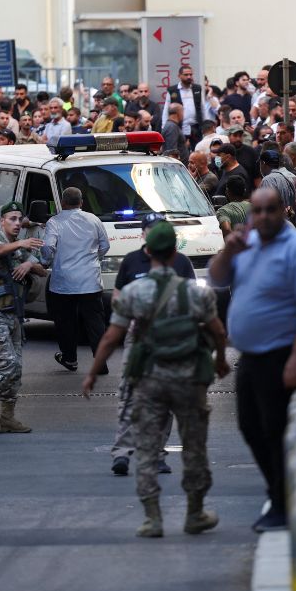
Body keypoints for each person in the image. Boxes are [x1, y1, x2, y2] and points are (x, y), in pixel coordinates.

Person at [82, 220, 228, 538]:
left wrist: (93, 373)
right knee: (194, 446)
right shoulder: (194, 292)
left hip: (149, 379)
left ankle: (152, 517)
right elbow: (217, 330)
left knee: (147, 447)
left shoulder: (135, 292)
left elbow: (111, 337)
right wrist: (220, 361)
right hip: (189, 380)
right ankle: (195, 513)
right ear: (175, 251)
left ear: (148, 251)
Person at [209, 187, 296, 532]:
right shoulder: (249, 243)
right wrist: (228, 251)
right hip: (253, 356)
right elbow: (216, 278)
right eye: (256, 211)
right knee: (250, 427)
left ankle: (282, 502)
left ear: (284, 211)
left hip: (284, 353)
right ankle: (280, 493)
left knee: (276, 431)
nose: (262, 217)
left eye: (269, 210)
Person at [105, 213, 197, 475]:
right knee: (129, 395)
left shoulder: (180, 262)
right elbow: (118, 295)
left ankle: (156, 453)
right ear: (143, 234)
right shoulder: (132, 261)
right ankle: (122, 453)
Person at [0, 202, 46, 434]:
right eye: (11, 219)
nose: (16, 223)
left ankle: (8, 417)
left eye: (19, 219)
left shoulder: (20, 249)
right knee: (7, 364)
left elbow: (42, 267)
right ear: (1, 221)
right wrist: (22, 244)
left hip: (13, 314)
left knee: (16, 370)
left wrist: (28, 263)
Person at [42, 187, 110, 372]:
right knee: (95, 322)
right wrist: (94, 259)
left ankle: (70, 358)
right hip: (90, 280)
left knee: (66, 322)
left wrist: (45, 261)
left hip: (63, 282)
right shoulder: (94, 219)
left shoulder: (54, 222)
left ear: (62, 203)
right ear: (81, 202)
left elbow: (48, 247)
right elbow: (105, 245)